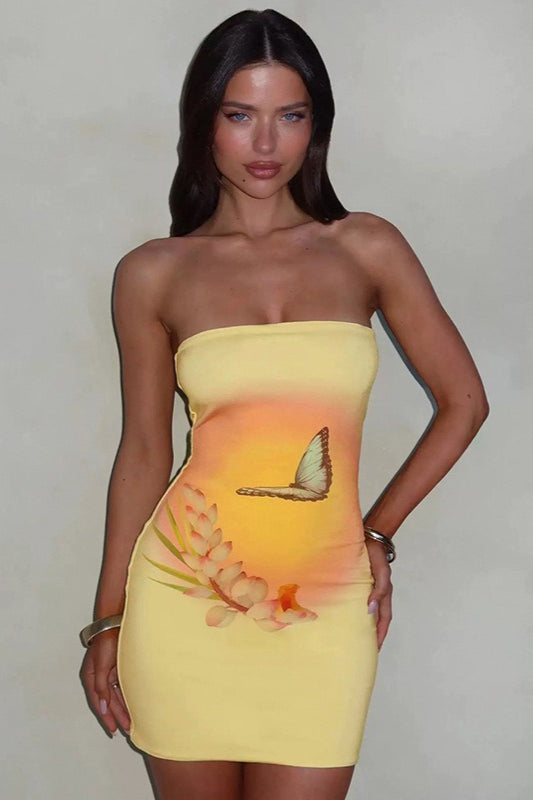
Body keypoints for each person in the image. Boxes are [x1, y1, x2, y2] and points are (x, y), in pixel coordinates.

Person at [79, 9, 489, 800]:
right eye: (240, 116)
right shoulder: (153, 273)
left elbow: (463, 402)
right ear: (204, 122)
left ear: (316, 126)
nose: (265, 143)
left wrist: (378, 533)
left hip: (323, 611)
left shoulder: (366, 247)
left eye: (289, 116)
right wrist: (109, 618)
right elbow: (144, 452)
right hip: (182, 602)